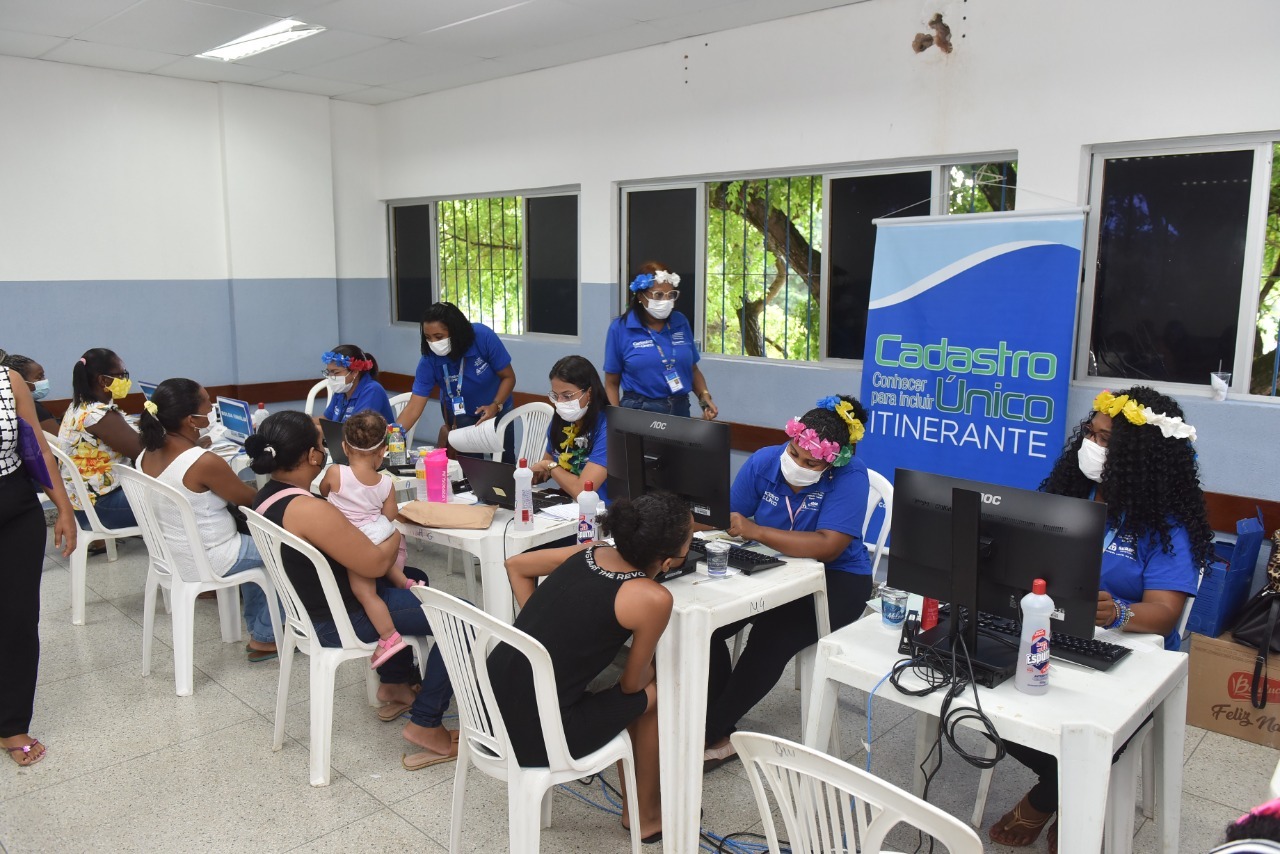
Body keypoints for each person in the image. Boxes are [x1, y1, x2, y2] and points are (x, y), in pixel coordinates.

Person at [989, 386, 1211, 853]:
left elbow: (1166, 615)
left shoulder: (1167, 525)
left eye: (1106, 440)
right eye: (1091, 433)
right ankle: (1066, 787)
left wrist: (1120, 613)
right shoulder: (1071, 492)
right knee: (985, 701)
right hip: (1052, 630)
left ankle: (1050, 795)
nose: (1092, 445)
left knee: (1098, 728)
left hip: (1128, 653)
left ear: (1140, 455)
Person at [246, 411, 457, 767]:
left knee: (416, 574)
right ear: (313, 456)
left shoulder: (266, 497)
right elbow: (374, 564)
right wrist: (392, 531)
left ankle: (395, 683)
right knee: (459, 616)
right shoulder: (309, 509)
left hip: (311, 611)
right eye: (320, 444)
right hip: (341, 618)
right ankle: (426, 723)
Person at [490, 491, 689, 843]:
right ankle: (645, 816)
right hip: (538, 735)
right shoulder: (653, 597)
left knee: (623, 684)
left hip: (490, 709)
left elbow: (516, 566)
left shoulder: (589, 551)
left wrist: (542, 634)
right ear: (669, 560)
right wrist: (652, 675)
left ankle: (641, 809)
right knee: (658, 693)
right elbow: (632, 686)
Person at [703, 394, 872, 769]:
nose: (798, 464)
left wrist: (757, 531)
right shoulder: (765, 460)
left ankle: (710, 731)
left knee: (772, 638)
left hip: (837, 580)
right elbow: (730, 515)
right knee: (709, 625)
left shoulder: (851, 475)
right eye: (795, 453)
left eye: (812, 463)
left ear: (834, 461)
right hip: (769, 568)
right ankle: (716, 717)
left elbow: (829, 546)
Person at [136, 379, 278, 662]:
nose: (212, 409)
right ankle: (267, 636)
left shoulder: (146, 454)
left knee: (257, 547)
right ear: (191, 419)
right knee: (290, 551)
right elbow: (251, 500)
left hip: (175, 556)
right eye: (207, 404)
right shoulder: (202, 462)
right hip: (214, 555)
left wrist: (196, 446)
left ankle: (264, 628)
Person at [0, 351, 77, 766]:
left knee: (17, 617)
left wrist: (63, 508)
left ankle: (12, 723)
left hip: (13, 506)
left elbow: (37, 448)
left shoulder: (8, 380)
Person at [317, 411, 418, 669]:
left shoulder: (336, 472)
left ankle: (389, 636)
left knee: (365, 593)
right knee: (386, 559)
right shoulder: (385, 482)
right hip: (378, 531)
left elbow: (323, 492)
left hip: (355, 539)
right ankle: (404, 582)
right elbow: (391, 515)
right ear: (383, 450)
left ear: (343, 446)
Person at [396, 302, 516, 462]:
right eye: (428, 338)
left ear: (456, 331)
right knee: (470, 466)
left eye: (439, 337)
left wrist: (495, 405)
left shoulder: (482, 337)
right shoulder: (428, 360)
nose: (433, 343)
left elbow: (509, 377)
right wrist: (393, 435)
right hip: (461, 413)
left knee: (504, 461)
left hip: (497, 405)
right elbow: (413, 408)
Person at [605, 262, 717, 420]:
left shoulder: (680, 322)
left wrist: (705, 398)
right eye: (658, 295)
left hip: (680, 409)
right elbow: (611, 383)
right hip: (639, 410)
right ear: (640, 296)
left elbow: (692, 370)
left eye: (671, 295)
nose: (666, 301)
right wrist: (615, 421)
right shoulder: (620, 328)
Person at [57, 348, 142, 531]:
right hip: (102, 508)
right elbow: (144, 452)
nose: (125, 380)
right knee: (181, 498)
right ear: (103, 380)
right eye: (122, 374)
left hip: (86, 504)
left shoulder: (79, 407)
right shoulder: (99, 415)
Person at [529, 355, 609, 502]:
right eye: (556, 396)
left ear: (589, 393)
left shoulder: (607, 427)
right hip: (565, 506)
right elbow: (545, 471)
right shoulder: (560, 420)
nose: (560, 403)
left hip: (599, 511)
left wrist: (550, 465)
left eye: (567, 396)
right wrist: (524, 476)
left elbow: (582, 490)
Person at [320, 345, 395, 425]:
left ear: (355, 372)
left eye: (336, 372)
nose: (331, 377)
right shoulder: (341, 390)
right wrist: (307, 424)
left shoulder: (372, 390)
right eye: (329, 372)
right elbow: (326, 419)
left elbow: (357, 430)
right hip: (342, 436)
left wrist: (318, 432)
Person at [1, 353, 57, 434]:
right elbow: (58, 441)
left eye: (43, 375)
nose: (44, 380)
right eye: (39, 377)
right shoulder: (34, 408)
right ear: (20, 381)